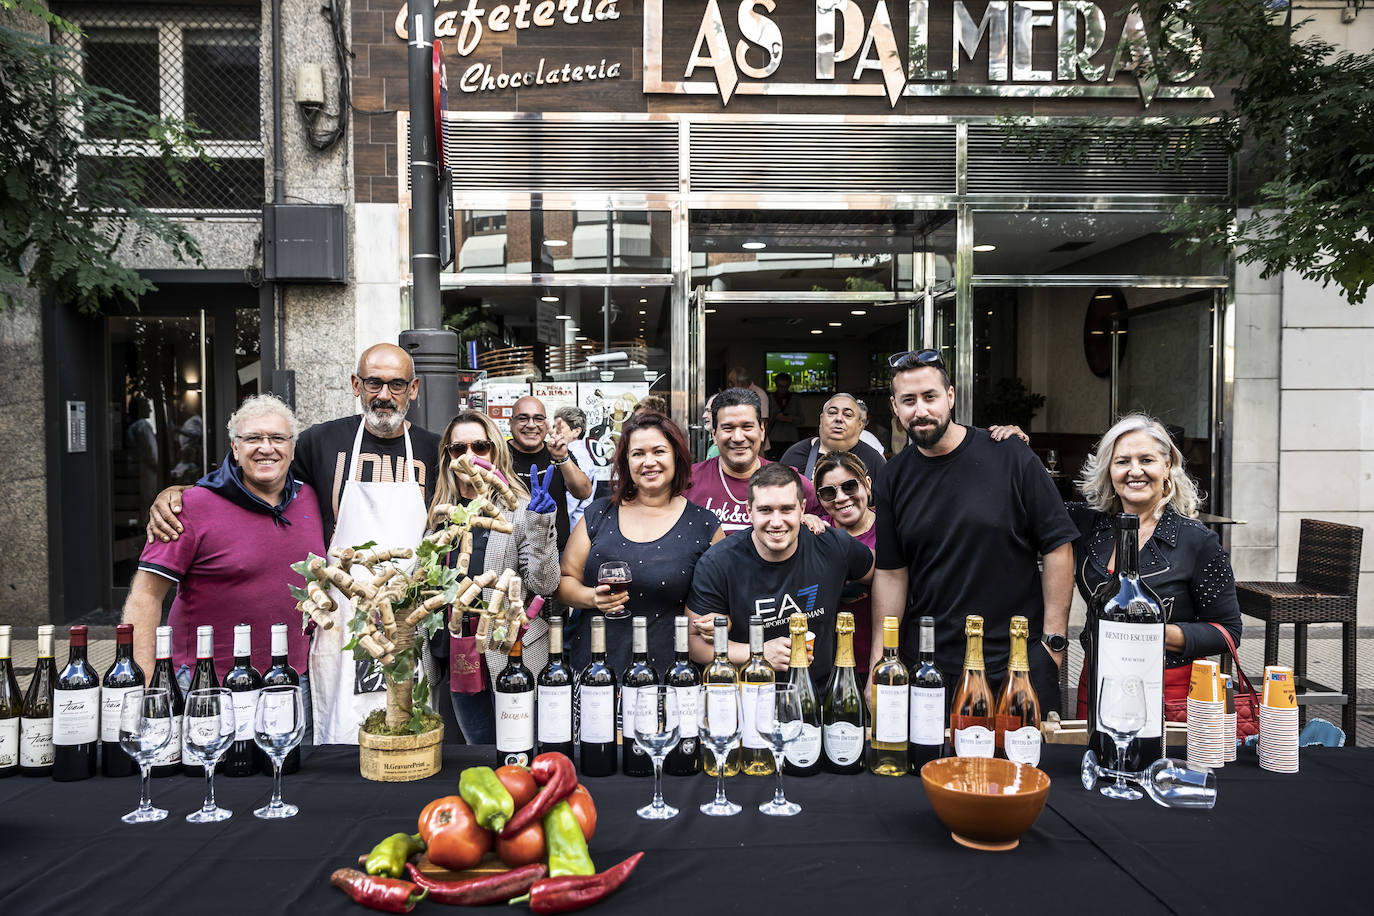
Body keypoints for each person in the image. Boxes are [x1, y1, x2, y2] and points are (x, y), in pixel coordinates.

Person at [148, 343, 442, 744]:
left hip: (410, 618)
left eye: (396, 384)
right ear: (356, 384)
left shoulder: (435, 449)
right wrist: (181, 491)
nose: (384, 395)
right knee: (339, 731)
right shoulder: (320, 440)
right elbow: (254, 473)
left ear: (415, 388)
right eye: (374, 383)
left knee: (406, 720)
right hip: (340, 616)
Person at [870, 349, 1077, 713]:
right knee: (937, 766)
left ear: (950, 397)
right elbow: (891, 572)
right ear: (894, 407)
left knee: (1023, 766)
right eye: (908, 401)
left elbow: (1057, 547)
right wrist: (879, 660)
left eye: (930, 397)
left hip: (1017, 660)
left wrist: (1053, 643)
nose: (920, 410)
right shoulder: (892, 476)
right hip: (933, 663)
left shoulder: (1009, 454)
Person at [123, 395, 321, 723]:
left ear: (293, 447)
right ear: (234, 446)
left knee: (290, 772)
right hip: (208, 684)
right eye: (253, 438)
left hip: (294, 683)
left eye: (277, 438)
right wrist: (147, 691)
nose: (266, 448)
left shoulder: (311, 499)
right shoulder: (187, 508)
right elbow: (144, 597)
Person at [1068, 414, 1242, 716]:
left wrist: (1152, 633)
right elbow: (1030, 501)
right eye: (1122, 461)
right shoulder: (1089, 524)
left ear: (1167, 466)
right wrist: (1014, 444)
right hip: (1097, 682)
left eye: (1146, 459)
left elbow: (1228, 632)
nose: (1135, 471)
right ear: (1109, 470)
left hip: (1168, 693)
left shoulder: (1197, 541)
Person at [424, 410, 560, 744]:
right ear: (448, 457)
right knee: (479, 754)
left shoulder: (522, 509)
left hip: (513, 655)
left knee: (524, 754)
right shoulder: (437, 516)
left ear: (495, 452)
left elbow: (545, 584)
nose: (469, 456)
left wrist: (540, 525)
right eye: (459, 449)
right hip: (460, 658)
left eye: (480, 446)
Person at [557, 411, 723, 675]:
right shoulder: (599, 515)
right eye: (638, 454)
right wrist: (591, 598)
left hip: (670, 674)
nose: (649, 462)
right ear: (625, 461)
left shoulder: (704, 525)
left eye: (659, 451)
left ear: (676, 457)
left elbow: (722, 598)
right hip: (595, 670)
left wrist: (719, 620)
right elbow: (564, 580)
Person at [686, 463, 873, 687]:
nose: (776, 522)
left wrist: (849, 592)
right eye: (765, 510)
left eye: (786, 509)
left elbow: (885, 576)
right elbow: (694, 645)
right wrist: (759, 652)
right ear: (749, 511)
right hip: (749, 696)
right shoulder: (719, 562)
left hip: (819, 695)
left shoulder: (831, 545)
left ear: (802, 509)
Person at [688, 387, 820, 535]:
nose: (738, 437)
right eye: (728, 428)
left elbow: (829, 524)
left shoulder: (792, 483)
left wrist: (810, 520)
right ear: (714, 434)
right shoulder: (688, 481)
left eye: (747, 427)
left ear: (762, 431)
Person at [812, 450, 877, 682]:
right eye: (828, 492)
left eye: (849, 487)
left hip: (875, 661)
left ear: (867, 485)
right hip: (824, 665)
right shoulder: (816, 532)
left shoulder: (890, 530)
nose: (840, 498)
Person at [505, 395, 593, 549]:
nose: (531, 425)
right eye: (523, 418)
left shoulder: (559, 452)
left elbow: (584, 492)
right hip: (508, 550)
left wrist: (563, 458)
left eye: (538, 419)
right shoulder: (499, 455)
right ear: (510, 423)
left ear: (546, 424)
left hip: (553, 551)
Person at [780, 392, 887, 480]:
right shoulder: (796, 454)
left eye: (848, 415)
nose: (839, 418)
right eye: (832, 413)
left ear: (861, 424)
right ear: (821, 420)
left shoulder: (874, 461)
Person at [553, 405, 597, 530]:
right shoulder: (570, 452)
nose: (554, 433)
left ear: (576, 431)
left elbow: (570, 502)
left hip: (570, 529)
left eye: (559, 428)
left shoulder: (576, 456)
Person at [767, 372, 802, 460]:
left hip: (790, 438)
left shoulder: (794, 399)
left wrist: (790, 418)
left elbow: (801, 419)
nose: (782, 389)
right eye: (780, 386)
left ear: (789, 385)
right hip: (774, 438)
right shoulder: (770, 399)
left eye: (785, 386)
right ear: (776, 385)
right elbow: (765, 419)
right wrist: (775, 417)